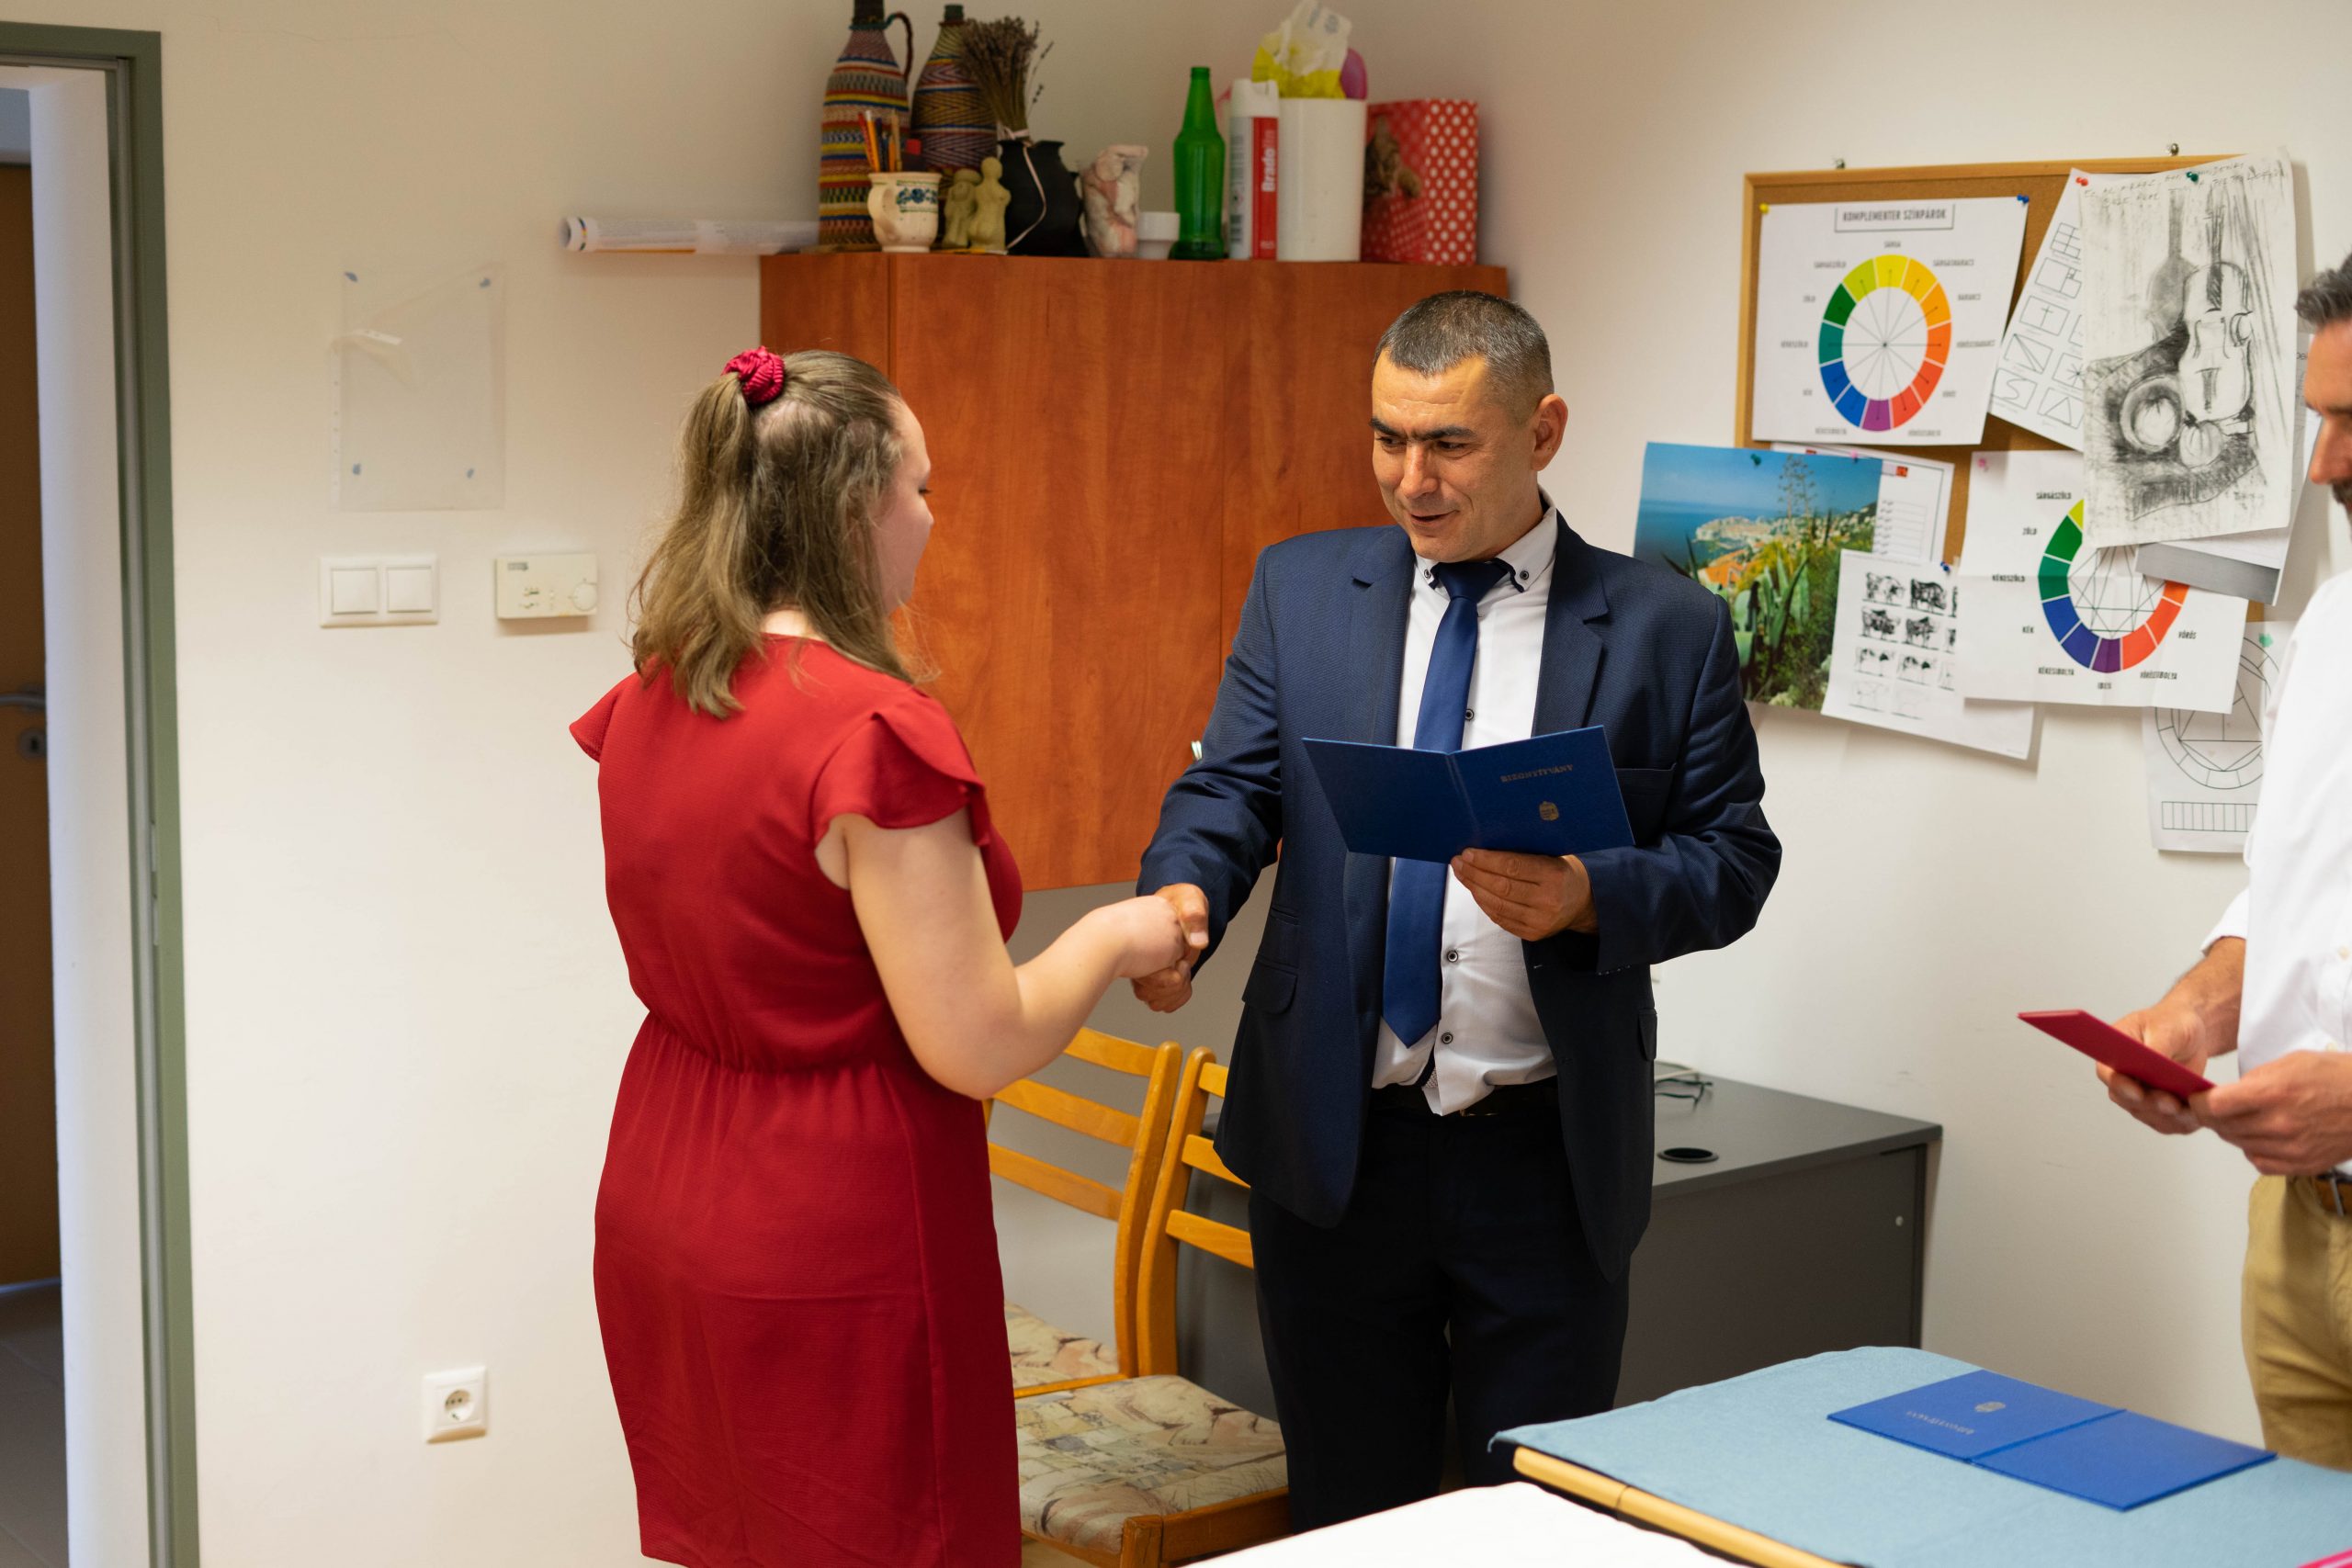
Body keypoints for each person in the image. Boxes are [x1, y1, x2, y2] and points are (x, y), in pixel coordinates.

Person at [1132, 292, 1782, 1528]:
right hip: (1334, 1144)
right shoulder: (1301, 587)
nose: (1410, 480)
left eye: (1448, 445)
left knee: (1529, 1525)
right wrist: (1182, 897)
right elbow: (1235, 787)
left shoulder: (1670, 629)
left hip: (1546, 1163)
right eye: (1387, 439)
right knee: (1348, 1519)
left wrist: (1591, 895)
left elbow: (1734, 859)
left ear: (1544, 431)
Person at [571, 345, 1195, 1567]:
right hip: (830, 1223)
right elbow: (978, 1043)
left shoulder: (660, 691)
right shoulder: (869, 732)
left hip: (669, 1184)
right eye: (920, 486)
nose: (931, 515)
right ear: (857, 508)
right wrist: (1120, 933)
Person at [2102, 252, 2352, 1472]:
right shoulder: (2333, 626)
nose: (2325, 466)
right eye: (2321, 421)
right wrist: (2196, 1012)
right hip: (2303, 1230)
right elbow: (2292, 894)